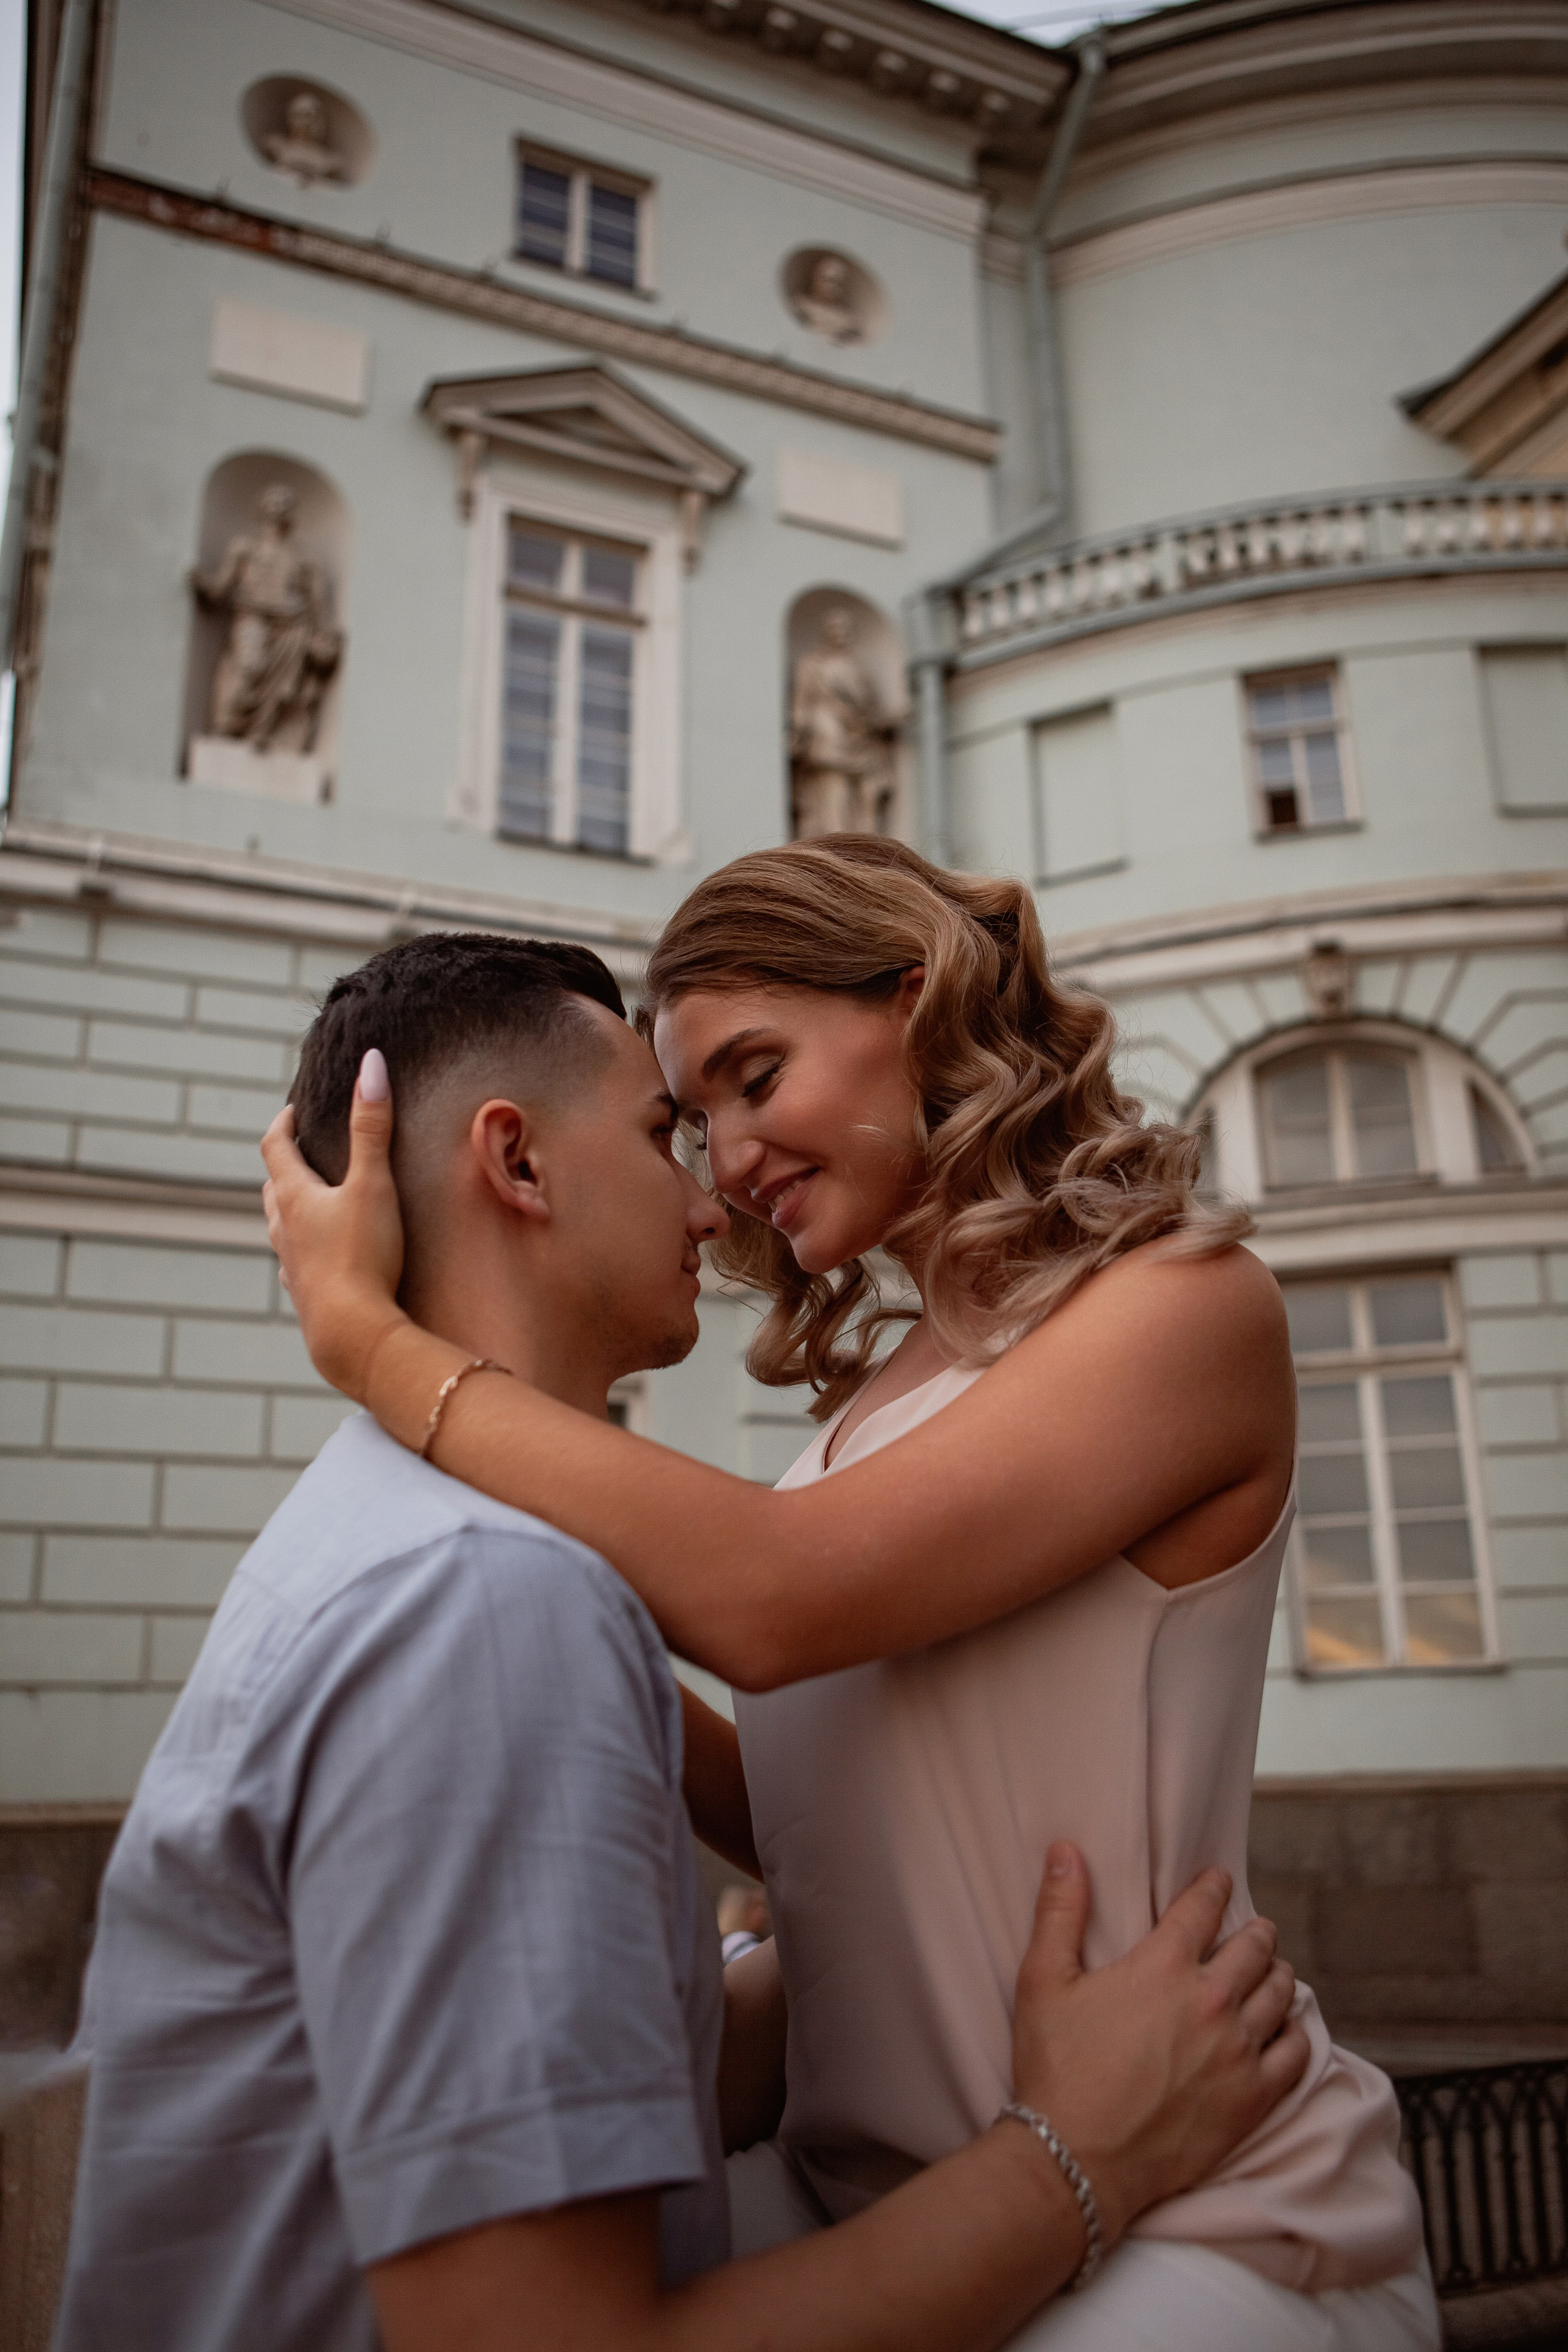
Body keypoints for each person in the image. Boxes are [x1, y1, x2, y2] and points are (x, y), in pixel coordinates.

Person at [56, 934, 1307, 2352]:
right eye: (672, 1127)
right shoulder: (487, 1597)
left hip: (1199, 2193)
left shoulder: (433, 1549)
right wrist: (1064, 2153)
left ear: (917, 1005)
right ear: (518, 1166)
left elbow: (776, 1624)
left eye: (745, 1082)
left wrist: (368, 1339)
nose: (714, 1193)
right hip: (1010, 2163)